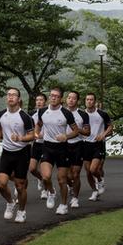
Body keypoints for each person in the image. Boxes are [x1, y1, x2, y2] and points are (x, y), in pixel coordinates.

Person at [0, 87, 34, 223]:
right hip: (7, 152)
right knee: (1, 183)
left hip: (22, 153)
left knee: (20, 186)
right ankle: (10, 202)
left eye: (14, 95)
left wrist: (20, 138)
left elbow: (32, 136)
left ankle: (21, 211)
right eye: (9, 95)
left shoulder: (25, 116)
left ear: (19, 99)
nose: (11, 97)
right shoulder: (0, 114)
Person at [35, 87, 79, 215]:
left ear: (60, 99)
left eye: (56, 96)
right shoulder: (42, 111)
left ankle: (63, 205)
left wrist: (66, 136)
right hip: (47, 147)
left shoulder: (66, 113)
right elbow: (39, 124)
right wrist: (37, 134)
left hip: (62, 149)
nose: (53, 97)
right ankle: (51, 192)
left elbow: (76, 131)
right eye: (51, 95)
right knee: (46, 177)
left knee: (61, 180)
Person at [83, 93, 113, 200]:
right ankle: (94, 191)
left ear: (94, 102)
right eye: (87, 99)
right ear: (85, 101)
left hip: (98, 144)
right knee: (88, 172)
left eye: (91, 100)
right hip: (85, 144)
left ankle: (100, 180)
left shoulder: (102, 113)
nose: (89, 101)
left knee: (93, 169)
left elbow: (110, 126)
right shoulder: (82, 114)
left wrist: (103, 135)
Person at [65, 91, 90, 208]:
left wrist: (76, 129)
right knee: (66, 175)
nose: (71, 100)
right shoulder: (61, 112)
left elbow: (87, 132)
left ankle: (75, 198)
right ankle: (70, 186)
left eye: (73, 98)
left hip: (78, 145)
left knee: (75, 174)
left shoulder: (83, 114)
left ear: (77, 101)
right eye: (69, 98)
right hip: (64, 146)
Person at [30, 93, 47, 199]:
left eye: (41, 100)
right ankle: (40, 179)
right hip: (36, 144)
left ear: (45, 102)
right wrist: (35, 135)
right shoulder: (31, 114)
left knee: (45, 171)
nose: (39, 102)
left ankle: (46, 190)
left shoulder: (49, 113)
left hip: (47, 145)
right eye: (37, 100)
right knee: (32, 169)